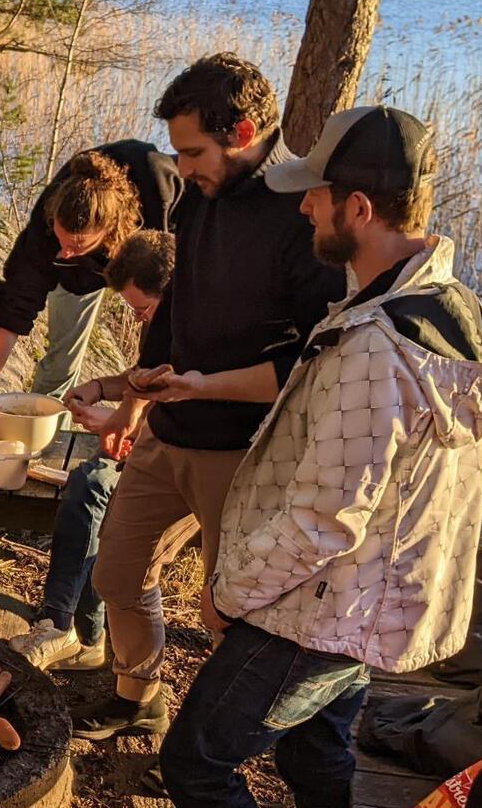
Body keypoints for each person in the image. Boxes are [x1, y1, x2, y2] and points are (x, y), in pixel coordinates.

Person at [156, 105, 482, 807]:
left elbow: (326, 519)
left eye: (318, 195)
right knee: (313, 753)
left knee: (196, 762)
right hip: (370, 604)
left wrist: (225, 594)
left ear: (358, 208)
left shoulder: (376, 349)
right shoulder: (449, 308)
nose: (304, 207)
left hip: (323, 608)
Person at [66, 52, 346, 743]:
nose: (181, 166)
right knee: (118, 571)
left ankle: (215, 750)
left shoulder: (301, 214)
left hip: (243, 454)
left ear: (245, 131)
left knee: (231, 615)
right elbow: (178, 309)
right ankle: (138, 701)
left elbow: (308, 363)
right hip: (169, 430)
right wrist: (135, 392)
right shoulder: (202, 195)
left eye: (192, 151)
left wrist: (203, 387)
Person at [9, 229, 174, 670]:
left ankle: (63, 626)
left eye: (143, 308)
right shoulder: (162, 324)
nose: (139, 319)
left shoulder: (199, 327)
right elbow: (143, 377)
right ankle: (84, 634)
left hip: (180, 468)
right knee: (89, 485)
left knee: (93, 486)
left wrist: (123, 421)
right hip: (143, 453)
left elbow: (185, 411)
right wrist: (101, 387)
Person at [0, 142, 183, 427]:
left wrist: (129, 414)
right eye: (61, 241)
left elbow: (163, 324)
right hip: (77, 276)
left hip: (153, 263)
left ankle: (146, 430)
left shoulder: (160, 195)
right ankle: (44, 423)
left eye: (75, 244)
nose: (63, 252)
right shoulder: (48, 235)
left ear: (109, 230)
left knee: (161, 329)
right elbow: (11, 319)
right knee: (63, 355)